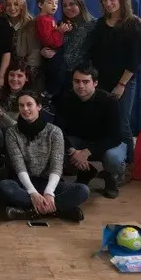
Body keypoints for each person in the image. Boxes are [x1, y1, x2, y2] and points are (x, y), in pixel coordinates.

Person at [0, 91, 89, 222]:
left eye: (29, 104)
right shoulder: (12, 133)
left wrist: (49, 192)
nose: (25, 109)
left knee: (83, 190)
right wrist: (33, 193)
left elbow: (57, 165)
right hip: (24, 183)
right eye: (21, 105)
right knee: (4, 186)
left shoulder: (54, 131)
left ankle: (28, 212)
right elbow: (19, 166)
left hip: (49, 182)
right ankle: (58, 210)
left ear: (39, 107)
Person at [90, 0, 141, 167]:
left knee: (123, 124)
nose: (108, 3)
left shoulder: (133, 24)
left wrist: (121, 85)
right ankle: (110, 164)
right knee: (106, 123)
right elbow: (94, 54)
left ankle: (130, 165)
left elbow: (135, 59)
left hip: (124, 82)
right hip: (102, 80)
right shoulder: (100, 24)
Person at [55, 64, 125, 198]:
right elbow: (57, 130)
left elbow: (115, 137)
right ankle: (86, 172)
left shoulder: (110, 102)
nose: (80, 86)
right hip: (79, 142)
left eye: (85, 82)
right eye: (77, 81)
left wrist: (87, 152)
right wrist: (72, 151)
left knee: (113, 158)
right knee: (57, 147)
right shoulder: (66, 99)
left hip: (106, 143)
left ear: (95, 83)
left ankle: (112, 178)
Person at [34, 0, 71, 98]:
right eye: (50, 2)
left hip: (57, 50)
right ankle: (50, 94)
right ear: (40, 5)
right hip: (52, 52)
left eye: (56, 3)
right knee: (55, 75)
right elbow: (47, 40)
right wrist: (60, 31)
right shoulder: (42, 20)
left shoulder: (49, 18)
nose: (54, 5)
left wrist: (62, 29)